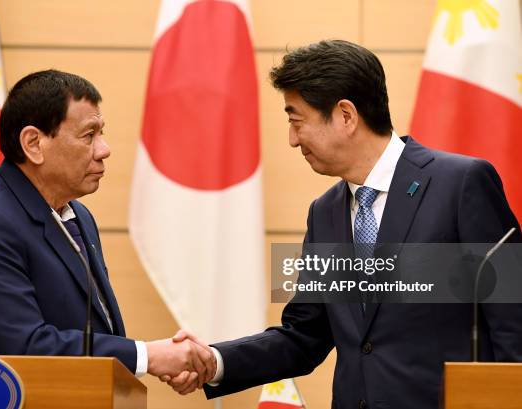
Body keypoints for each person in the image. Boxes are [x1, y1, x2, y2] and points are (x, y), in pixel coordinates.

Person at [162, 40, 522, 408]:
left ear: (346, 115)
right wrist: (216, 362)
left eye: (296, 120)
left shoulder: (461, 184)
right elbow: (304, 336)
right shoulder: (324, 213)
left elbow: (513, 320)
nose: (291, 139)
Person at [0, 70, 215, 385]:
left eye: (102, 133)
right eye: (89, 135)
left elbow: (94, 331)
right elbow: (22, 347)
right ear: (33, 143)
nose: (104, 149)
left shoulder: (78, 215)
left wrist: (155, 360)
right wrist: (147, 356)